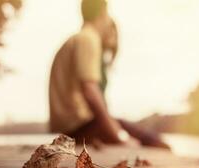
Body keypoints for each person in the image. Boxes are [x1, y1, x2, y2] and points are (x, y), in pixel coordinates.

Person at [49, 0, 169, 149]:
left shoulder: (74, 39)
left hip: (68, 130)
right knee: (153, 140)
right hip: (81, 127)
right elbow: (90, 91)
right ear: (103, 11)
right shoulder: (88, 39)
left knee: (132, 130)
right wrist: (119, 136)